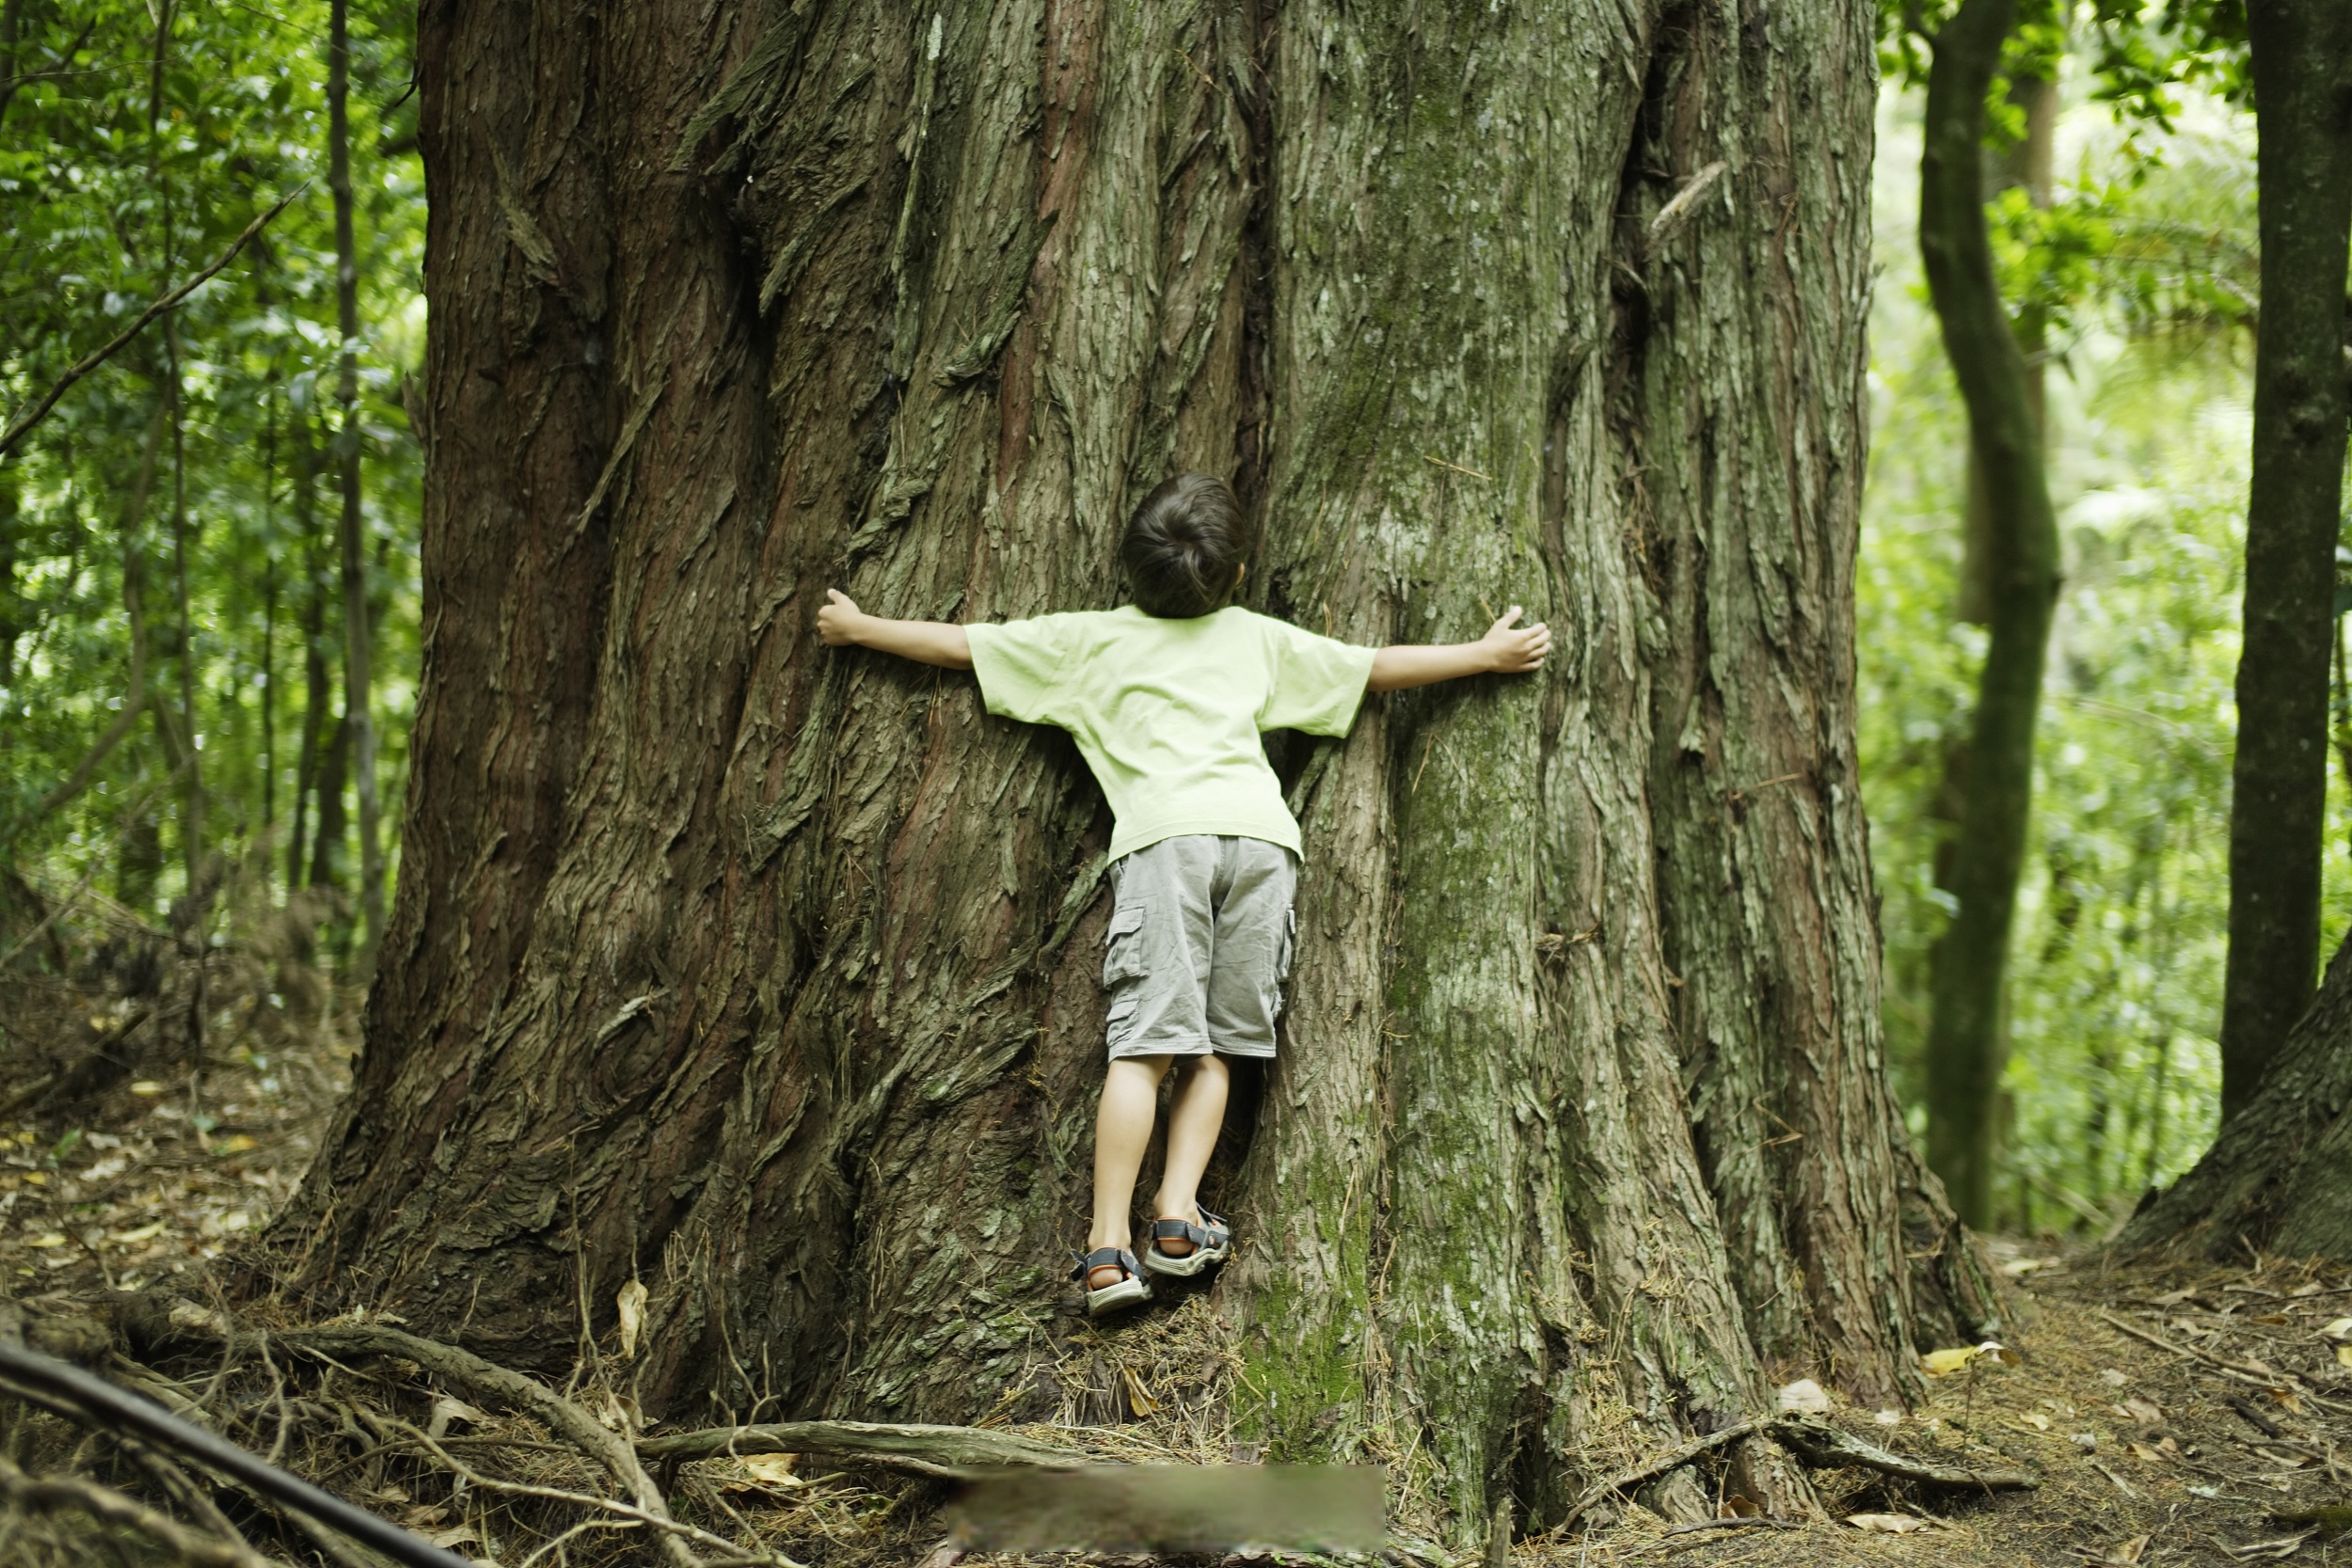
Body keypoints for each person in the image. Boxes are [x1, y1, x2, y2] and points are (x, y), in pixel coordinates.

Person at [817, 472, 1549, 1314]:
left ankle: (1105, 1250)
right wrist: (1486, 654)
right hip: (1263, 844)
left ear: (1129, 567)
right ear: (1236, 576)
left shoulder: (1087, 643)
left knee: (1145, 1047)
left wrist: (860, 626)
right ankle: (1174, 1217)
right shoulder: (1256, 638)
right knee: (1221, 1045)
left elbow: (966, 646)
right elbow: (1375, 667)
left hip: (1168, 843)